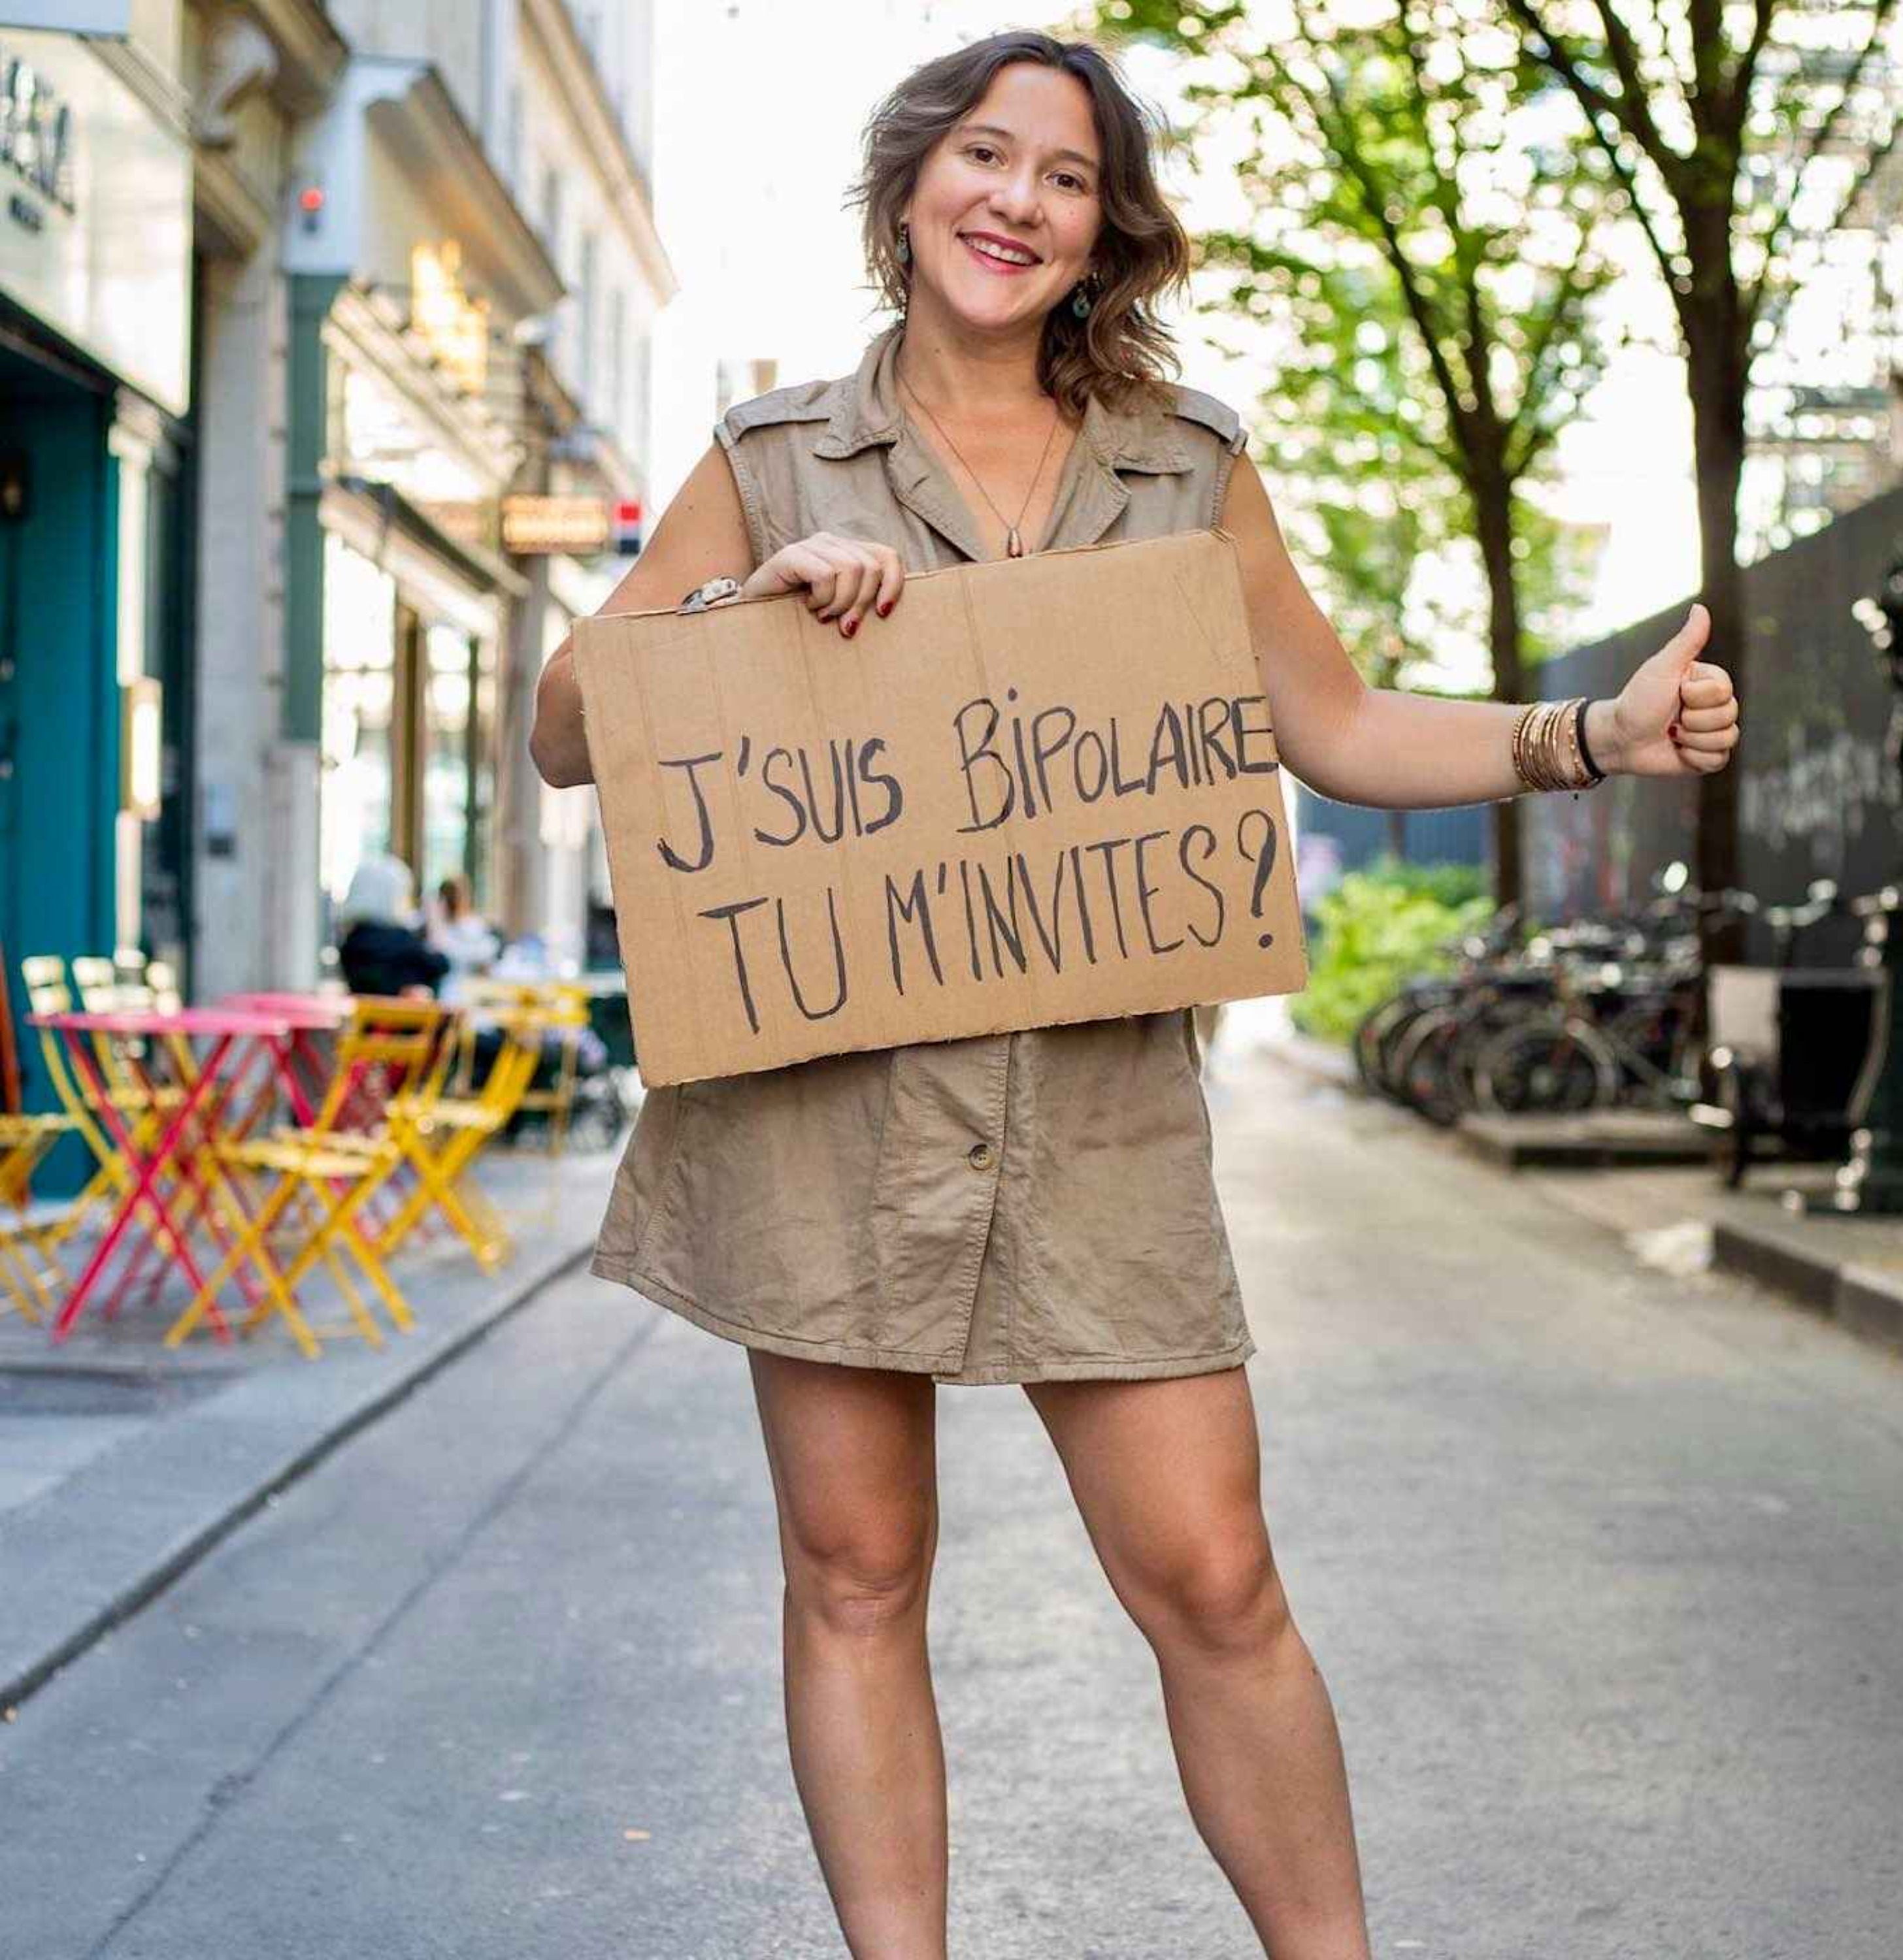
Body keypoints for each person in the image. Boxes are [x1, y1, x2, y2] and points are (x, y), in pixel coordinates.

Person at [528, 32, 1741, 1958]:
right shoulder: (770, 462)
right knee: (853, 1572)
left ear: (1106, 230)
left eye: (1066, 176)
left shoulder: (1186, 468)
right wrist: (730, 620)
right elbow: (568, 724)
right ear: (911, 184)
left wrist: (1587, 732)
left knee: (1215, 1576)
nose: (1016, 199)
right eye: (983, 156)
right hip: (826, 1098)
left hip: (1098, 1103)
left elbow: (1332, 723)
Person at [336, 855, 448, 1000]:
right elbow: (442, 965)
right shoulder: (399, 940)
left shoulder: (352, 943)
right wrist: (435, 922)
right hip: (405, 1020)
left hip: (366, 1020)